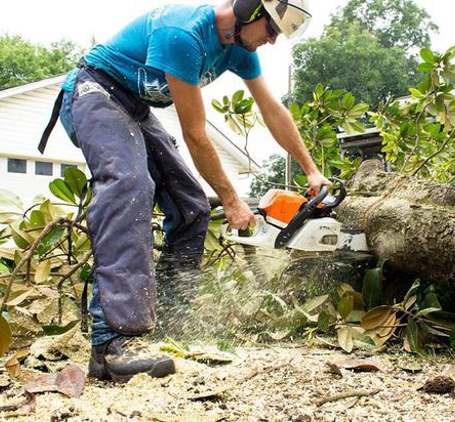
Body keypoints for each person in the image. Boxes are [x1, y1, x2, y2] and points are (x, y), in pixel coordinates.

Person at [40, 0, 329, 382]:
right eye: (272, 30)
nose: (272, 41)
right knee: (128, 185)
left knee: (191, 204)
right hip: (94, 89)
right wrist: (231, 199)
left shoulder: (238, 49)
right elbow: (195, 133)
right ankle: (110, 346)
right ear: (249, 9)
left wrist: (311, 170)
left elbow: (272, 110)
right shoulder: (183, 34)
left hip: (134, 107)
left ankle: (172, 324)